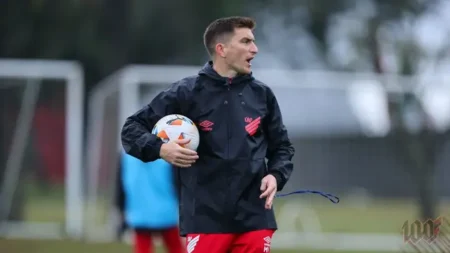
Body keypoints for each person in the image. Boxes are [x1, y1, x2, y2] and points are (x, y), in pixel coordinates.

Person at [121, 16, 295, 253]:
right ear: (221, 49)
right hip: (206, 220)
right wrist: (162, 148)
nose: (255, 49)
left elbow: (282, 148)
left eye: (253, 42)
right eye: (246, 41)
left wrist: (275, 175)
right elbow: (131, 129)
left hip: (255, 219)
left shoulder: (262, 95)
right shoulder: (186, 92)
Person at [115, 152, 185, 253]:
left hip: (139, 213)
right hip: (165, 212)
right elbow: (177, 183)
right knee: (176, 248)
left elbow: (120, 186)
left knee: (142, 249)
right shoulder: (167, 153)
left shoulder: (127, 156)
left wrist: (121, 209)